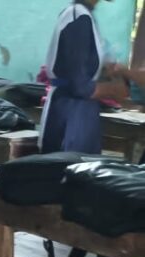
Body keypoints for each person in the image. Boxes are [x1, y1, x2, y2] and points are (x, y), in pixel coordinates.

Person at [40, 0, 128, 154]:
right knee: (69, 163)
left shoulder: (84, 14)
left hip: (79, 110)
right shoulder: (78, 16)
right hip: (70, 112)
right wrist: (114, 90)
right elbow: (79, 86)